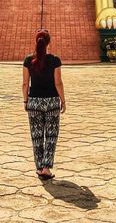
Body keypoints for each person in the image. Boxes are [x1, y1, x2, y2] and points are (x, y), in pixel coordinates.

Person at [23, 29, 65, 180]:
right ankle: (47, 167)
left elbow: (24, 84)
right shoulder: (54, 60)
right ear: (49, 43)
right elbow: (58, 83)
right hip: (52, 101)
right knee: (51, 135)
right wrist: (63, 100)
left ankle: (39, 167)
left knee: (37, 136)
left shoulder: (28, 60)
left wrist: (25, 100)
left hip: (34, 101)